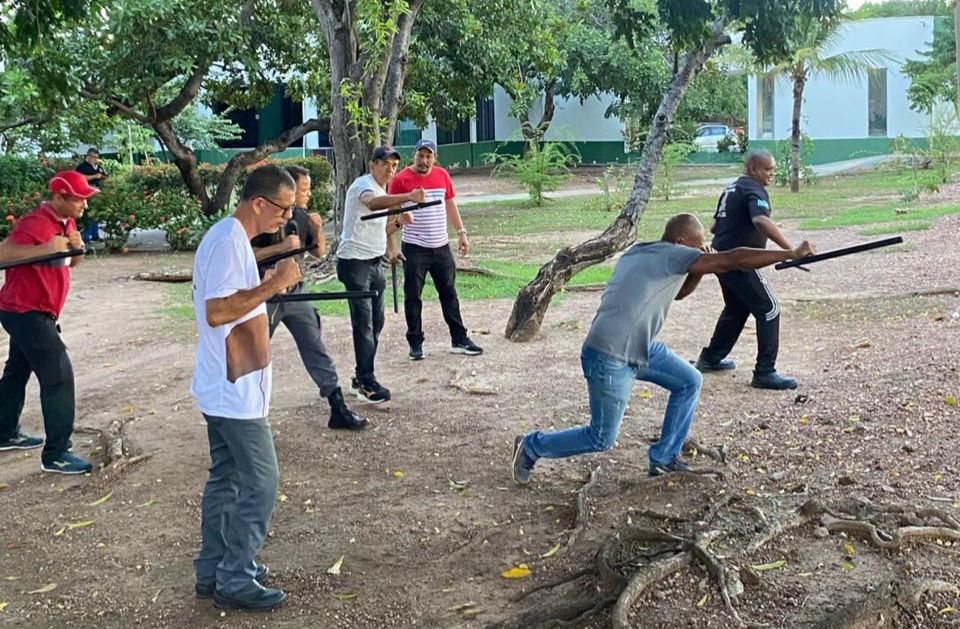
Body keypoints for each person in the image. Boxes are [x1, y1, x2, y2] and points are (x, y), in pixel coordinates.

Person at [511, 214, 814, 484]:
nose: (701, 249)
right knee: (601, 437)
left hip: (639, 347)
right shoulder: (672, 254)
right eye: (697, 245)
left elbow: (680, 293)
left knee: (689, 381)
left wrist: (697, 267)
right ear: (680, 241)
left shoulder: (642, 252)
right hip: (610, 355)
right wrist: (789, 253)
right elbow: (732, 259)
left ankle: (664, 458)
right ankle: (531, 446)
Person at [190, 164, 302, 611]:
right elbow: (217, 311)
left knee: (228, 477)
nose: (286, 219)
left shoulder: (233, 239)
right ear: (259, 203)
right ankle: (235, 575)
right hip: (231, 390)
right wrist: (273, 285)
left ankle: (213, 568)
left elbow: (230, 292)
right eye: (283, 209)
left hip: (228, 383)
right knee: (261, 481)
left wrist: (267, 274)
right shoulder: (225, 240)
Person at [251, 165, 367, 430]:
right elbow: (247, 254)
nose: (308, 193)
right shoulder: (262, 219)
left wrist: (317, 230)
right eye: (304, 189)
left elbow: (318, 253)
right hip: (263, 294)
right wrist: (276, 258)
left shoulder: (301, 216)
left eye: (307, 188)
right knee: (253, 352)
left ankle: (337, 407)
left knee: (315, 345)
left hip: (296, 292)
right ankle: (249, 417)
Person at [0, 171, 96, 474]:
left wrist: (75, 248)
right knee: (58, 375)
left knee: (17, 371)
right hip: (24, 310)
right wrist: (47, 248)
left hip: (38, 311)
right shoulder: (35, 223)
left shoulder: (65, 222)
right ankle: (57, 453)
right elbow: (3, 253)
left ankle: (4, 432)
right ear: (59, 197)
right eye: (79, 199)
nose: (84, 205)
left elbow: (66, 261)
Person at [695, 150, 803, 390]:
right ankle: (765, 371)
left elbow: (714, 226)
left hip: (720, 258)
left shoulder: (731, 188)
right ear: (753, 168)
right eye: (767, 170)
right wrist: (791, 249)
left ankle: (710, 358)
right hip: (740, 259)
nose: (771, 175)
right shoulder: (754, 189)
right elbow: (760, 221)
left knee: (737, 307)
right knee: (769, 308)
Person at [337, 145, 424, 404]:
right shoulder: (363, 186)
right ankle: (366, 381)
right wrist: (408, 196)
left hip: (375, 263)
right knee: (363, 324)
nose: (390, 169)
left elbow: (379, 227)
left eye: (394, 165)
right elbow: (372, 205)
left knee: (377, 322)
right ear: (372, 163)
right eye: (385, 163)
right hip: (355, 263)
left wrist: (398, 225)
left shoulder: (381, 189)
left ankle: (361, 375)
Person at [386, 139, 483, 360]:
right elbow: (390, 214)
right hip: (414, 248)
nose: (424, 160)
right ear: (414, 156)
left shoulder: (442, 175)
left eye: (428, 156)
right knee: (413, 296)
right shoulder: (400, 180)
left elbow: (450, 204)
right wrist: (391, 247)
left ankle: (459, 339)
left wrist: (461, 232)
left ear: (434, 157)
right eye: (420, 155)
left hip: (441, 247)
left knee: (449, 294)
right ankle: (415, 343)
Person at [75, 148, 107, 242]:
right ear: (88, 156)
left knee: (96, 215)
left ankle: (95, 235)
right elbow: (79, 178)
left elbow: (105, 175)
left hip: (97, 192)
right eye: (93, 157)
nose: (95, 159)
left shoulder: (98, 167)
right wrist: (94, 176)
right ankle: (86, 237)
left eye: (96, 157)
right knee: (87, 215)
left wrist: (102, 177)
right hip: (86, 192)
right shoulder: (82, 167)